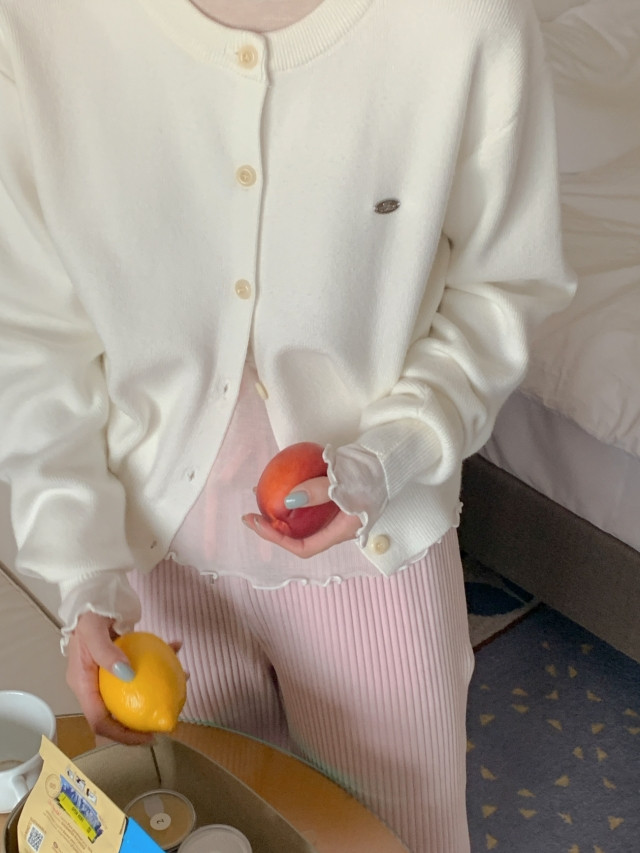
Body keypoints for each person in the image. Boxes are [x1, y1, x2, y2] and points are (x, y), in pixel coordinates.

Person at [0, 0, 575, 850]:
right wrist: (81, 570)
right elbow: (33, 337)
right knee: (217, 828)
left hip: (377, 555)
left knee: (397, 836)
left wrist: (394, 450)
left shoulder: (465, 25)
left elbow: (506, 286)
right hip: (157, 573)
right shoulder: (41, 28)